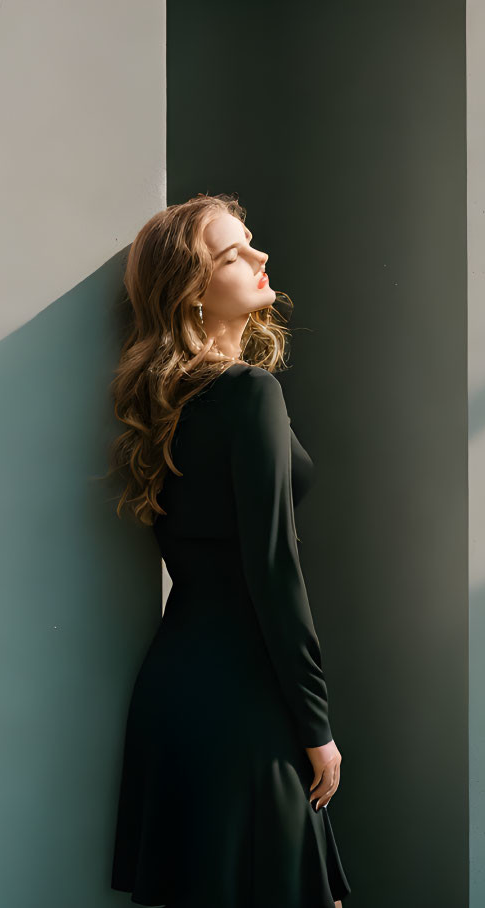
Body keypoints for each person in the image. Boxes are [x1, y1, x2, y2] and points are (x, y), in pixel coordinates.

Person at [104, 192, 351, 907]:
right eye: (233, 252)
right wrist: (316, 726)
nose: (260, 256)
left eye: (251, 243)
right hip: (246, 701)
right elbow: (273, 571)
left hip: (176, 694)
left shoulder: (171, 402)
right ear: (191, 289)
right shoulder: (248, 394)